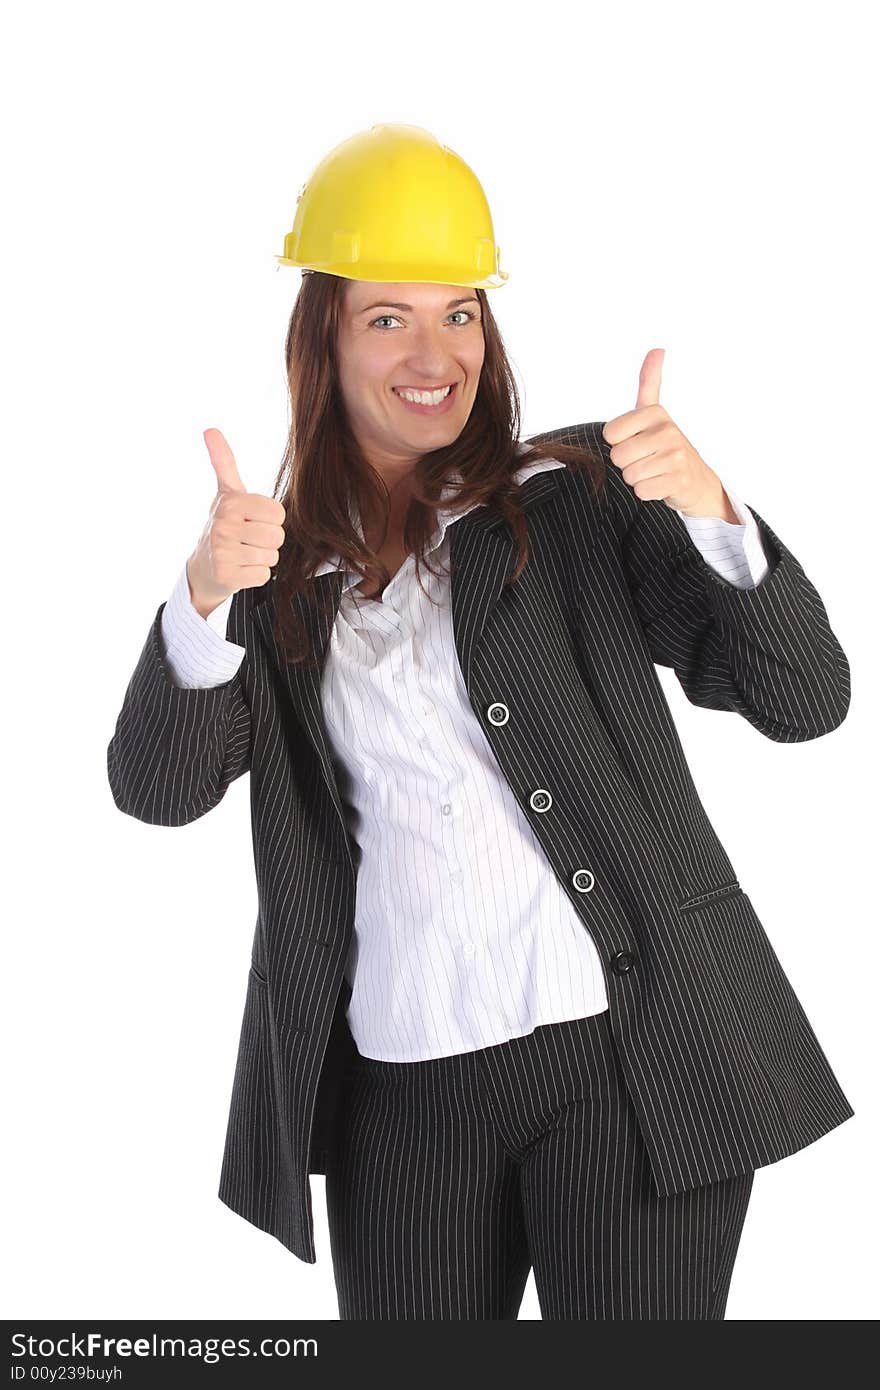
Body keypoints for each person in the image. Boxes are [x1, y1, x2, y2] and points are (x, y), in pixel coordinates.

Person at [107, 123, 853, 1320]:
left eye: (459, 313)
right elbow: (155, 789)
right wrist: (201, 597)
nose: (433, 351)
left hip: (628, 1064)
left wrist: (710, 509)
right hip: (401, 1093)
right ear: (325, 339)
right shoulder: (276, 570)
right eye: (388, 317)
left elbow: (805, 699)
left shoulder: (577, 497)